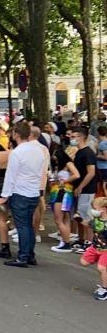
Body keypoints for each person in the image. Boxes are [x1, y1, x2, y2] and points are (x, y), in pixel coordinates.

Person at [0, 121, 48, 268]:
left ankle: (23, 256)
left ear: (16, 134)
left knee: (22, 226)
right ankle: (30, 254)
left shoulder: (17, 152)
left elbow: (11, 176)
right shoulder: (39, 150)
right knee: (29, 226)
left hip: (20, 191)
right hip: (33, 191)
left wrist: (5, 195)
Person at [69, 125, 99, 253]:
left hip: (86, 190)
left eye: (73, 136)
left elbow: (91, 172)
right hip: (79, 188)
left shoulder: (88, 153)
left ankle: (89, 242)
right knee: (79, 215)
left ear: (81, 137)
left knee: (86, 216)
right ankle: (81, 239)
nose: (71, 139)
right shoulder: (79, 152)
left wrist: (80, 187)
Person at [79, 197, 107, 301]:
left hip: (105, 250)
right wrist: (79, 218)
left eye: (95, 208)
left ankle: (105, 289)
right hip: (95, 247)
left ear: (103, 209)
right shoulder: (95, 219)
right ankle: (102, 263)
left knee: (101, 268)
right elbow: (87, 224)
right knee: (84, 262)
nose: (93, 210)